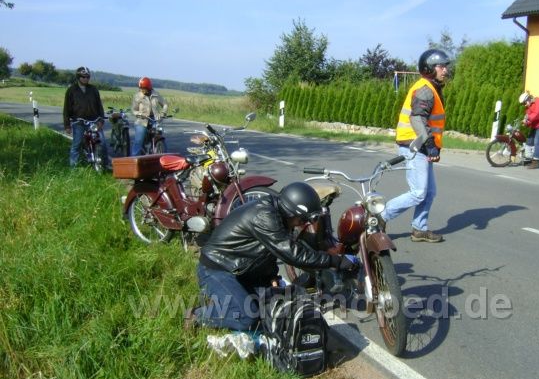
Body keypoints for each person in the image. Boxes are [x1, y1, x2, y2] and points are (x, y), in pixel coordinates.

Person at [189, 182, 359, 331]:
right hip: (217, 269)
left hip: (241, 270)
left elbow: (266, 252)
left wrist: (271, 277)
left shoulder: (279, 215)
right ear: (292, 212)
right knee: (247, 318)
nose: (304, 223)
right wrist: (336, 261)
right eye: (302, 220)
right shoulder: (264, 215)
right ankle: (198, 315)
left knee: (277, 304)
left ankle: (227, 301)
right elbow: (292, 254)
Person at [379, 49, 450, 243]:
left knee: (429, 192)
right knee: (418, 193)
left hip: (421, 145)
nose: (445, 70)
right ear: (429, 68)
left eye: (446, 66)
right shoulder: (425, 89)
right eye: (441, 66)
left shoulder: (432, 87)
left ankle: (419, 229)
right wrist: (430, 145)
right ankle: (380, 215)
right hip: (414, 145)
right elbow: (417, 118)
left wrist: (432, 146)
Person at [63, 66, 109, 168]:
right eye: (83, 77)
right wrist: (67, 125)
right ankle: (73, 168)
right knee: (77, 144)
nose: (86, 79)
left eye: (88, 77)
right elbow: (66, 108)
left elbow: (99, 106)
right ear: (78, 77)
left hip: (94, 120)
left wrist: (101, 120)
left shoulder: (93, 89)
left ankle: (105, 165)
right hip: (78, 121)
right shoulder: (71, 90)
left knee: (102, 142)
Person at [131, 76, 169, 156]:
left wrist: (163, 113)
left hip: (154, 119)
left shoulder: (156, 94)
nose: (141, 90)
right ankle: (134, 158)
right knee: (139, 140)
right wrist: (140, 114)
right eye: (140, 88)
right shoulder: (137, 96)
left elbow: (165, 104)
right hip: (142, 120)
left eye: (143, 88)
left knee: (159, 133)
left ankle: (158, 152)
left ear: (148, 87)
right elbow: (133, 110)